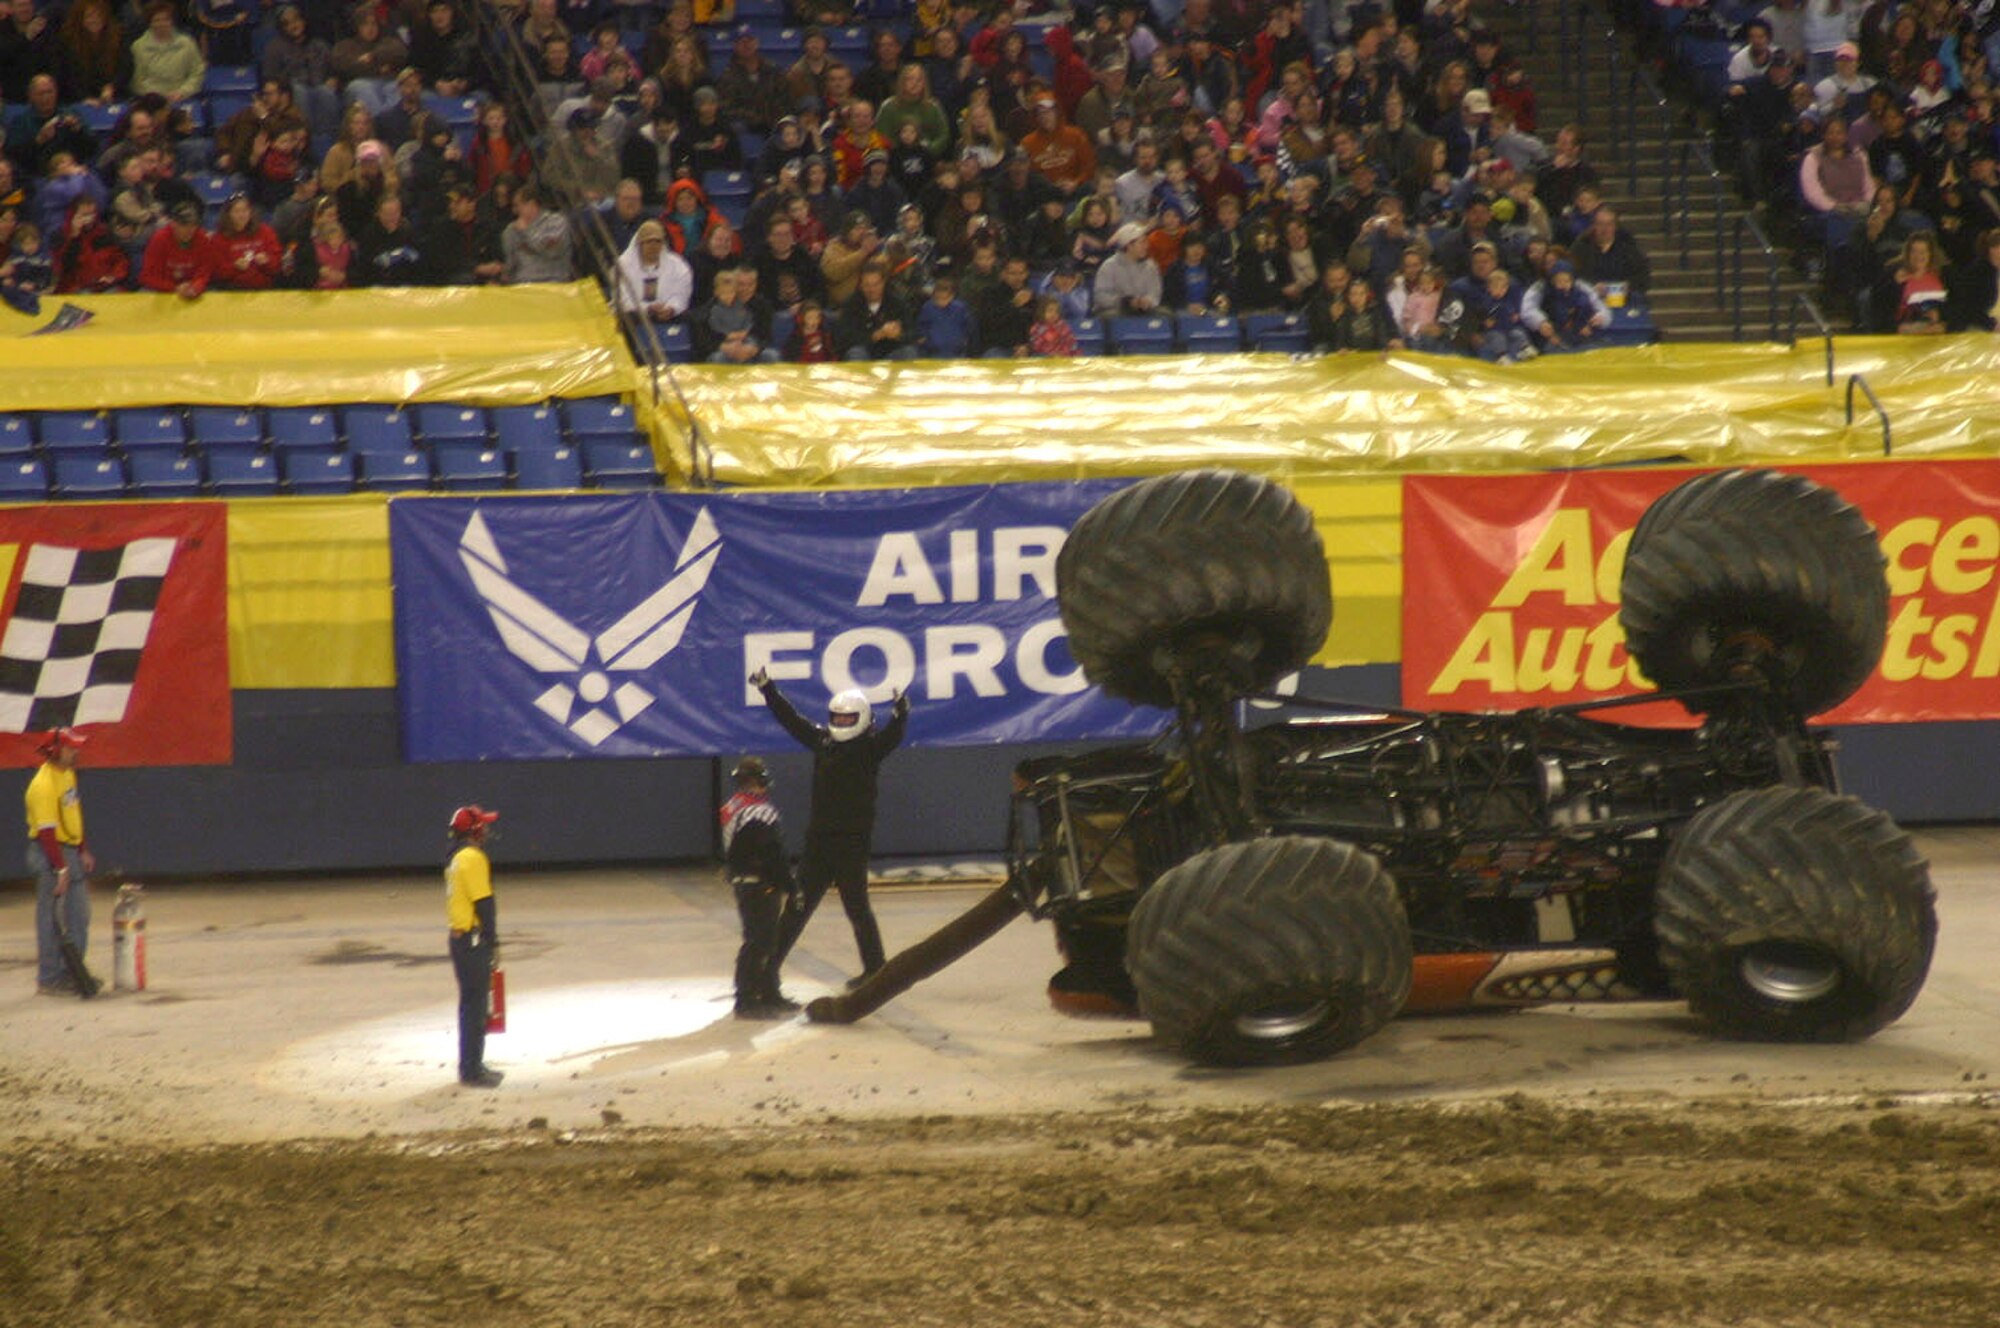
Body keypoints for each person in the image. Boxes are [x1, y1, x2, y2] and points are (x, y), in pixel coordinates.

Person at [750, 667, 909, 985]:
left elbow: (895, 733)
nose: (841, 724)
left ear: (862, 719)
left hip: (851, 841)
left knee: (857, 907)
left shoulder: (871, 748)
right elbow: (792, 721)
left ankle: (875, 968)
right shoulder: (823, 742)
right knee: (798, 907)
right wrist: (769, 689)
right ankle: (769, 970)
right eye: (837, 718)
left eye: (848, 719)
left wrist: (901, 711)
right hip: (819, 840)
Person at [719, 756, 798, 1019]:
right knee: (759, 942)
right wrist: (790, 885)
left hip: (743, 881)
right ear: (760, 781)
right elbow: (772, 854)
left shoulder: (733, 806)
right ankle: (747, 999)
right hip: (760, 884)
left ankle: (767, 992)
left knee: (764, 941)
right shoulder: (760, 812)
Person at [26, 729, 92, 996]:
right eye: (70, 748)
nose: (76, 752)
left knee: (79, 916)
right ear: (54, 751)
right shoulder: (42, 786)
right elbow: (46, 832)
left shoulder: (67, 774)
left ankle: (72, 974)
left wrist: (82, 849)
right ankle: (50, 978)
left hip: (69, 851)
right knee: (51, 919)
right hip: (49, 853)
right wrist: (61, 867)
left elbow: (72, 814)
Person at [444, 805, 503, 1088]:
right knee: (476, 1005)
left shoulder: (455, 857)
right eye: (483, 825)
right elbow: (485, 904)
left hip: (458, 941)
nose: (487, 830)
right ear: (475, 830)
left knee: (470, 1004)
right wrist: (493, 942)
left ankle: (471, 1065)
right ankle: (472, 1070)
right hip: (472, 940)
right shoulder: (473, 858)